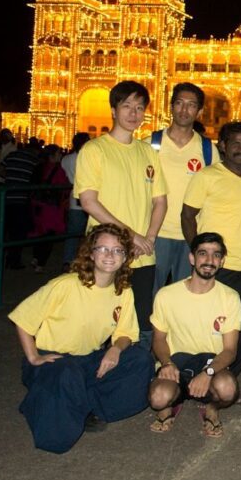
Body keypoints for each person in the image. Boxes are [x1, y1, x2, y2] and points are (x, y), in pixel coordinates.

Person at [8, 224, 153, 453]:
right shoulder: (65, 285)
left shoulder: (122, 290)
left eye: (117, 251)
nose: (109, 255)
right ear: (91, 253)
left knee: (140, 360)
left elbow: (126, 334)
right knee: (57, 440)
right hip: (54, 361)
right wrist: (34, 357)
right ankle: (40, 400)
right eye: (103, 249)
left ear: (126, 257)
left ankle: (86, 406)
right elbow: (22, 319)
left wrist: (115, 349)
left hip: (86, 360)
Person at [75, 81, 168, 350]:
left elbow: (160, 201)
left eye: (139, 107)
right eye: (126, 105)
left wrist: (148, 239)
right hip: (107, 253)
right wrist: (132, 236)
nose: (133, 113)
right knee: (101, 321)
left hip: (142, 255)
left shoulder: (148, 152)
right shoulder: (95, 150)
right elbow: (89, 202)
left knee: (139, 321)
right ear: (114, 109)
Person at [182, 121, 241, 377]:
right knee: (207, 324)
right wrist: (200, 255)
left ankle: (229, 379)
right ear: (223, 146)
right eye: (235, 142)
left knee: (239, 326)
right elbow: (187, 215)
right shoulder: (207, 175)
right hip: (215, 266)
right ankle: (196, 375)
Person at [148, 232, 241, 437]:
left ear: (222, 261)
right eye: (203, 254)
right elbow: (159, 339)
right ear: (192, 258)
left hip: (211, 364)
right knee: (158, 398)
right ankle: (171, 403)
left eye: (216, 255)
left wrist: (207, 373)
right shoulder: (167, 295)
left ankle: (211, 409)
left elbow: (230, 350)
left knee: (227, 389)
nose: (209, 260)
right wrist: (166, 363)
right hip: (176, 363)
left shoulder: (230, 298)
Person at [146, 82, 219, 293]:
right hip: (154, 233)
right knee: (150, 292)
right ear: (171, 106)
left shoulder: (207, 149)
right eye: (179, 103)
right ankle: (147, 328)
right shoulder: (150, 143)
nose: (184, 110)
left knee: (185, 295)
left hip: (191, 235)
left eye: (191, 105)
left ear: (200, 111)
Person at [1, 138, 41, 270]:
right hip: (21, 198)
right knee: (18, 232)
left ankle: (4, 258)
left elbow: (0, 170)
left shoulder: (12, 155)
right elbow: (36, 179)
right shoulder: (34, 160)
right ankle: (14, 260)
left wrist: (9, 179)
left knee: (6, 230)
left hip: (6, 197)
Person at [28, 144, 70, 273]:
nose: (60, 155)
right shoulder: (58, 170)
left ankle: (36, 257)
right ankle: (41, 262)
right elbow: (64, 187)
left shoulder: (39, 167)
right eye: (58, 153)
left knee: (39, 231)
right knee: (49, 234)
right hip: (50, 206)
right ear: (52, 156)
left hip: (36, 203)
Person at [61, 132, 92, 270]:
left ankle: (68, 260)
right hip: (90, 199)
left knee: (72, 233)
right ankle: (85, 260)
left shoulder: (66, 159)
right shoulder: (88, 158)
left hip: (73, 199)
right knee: (89, 234)